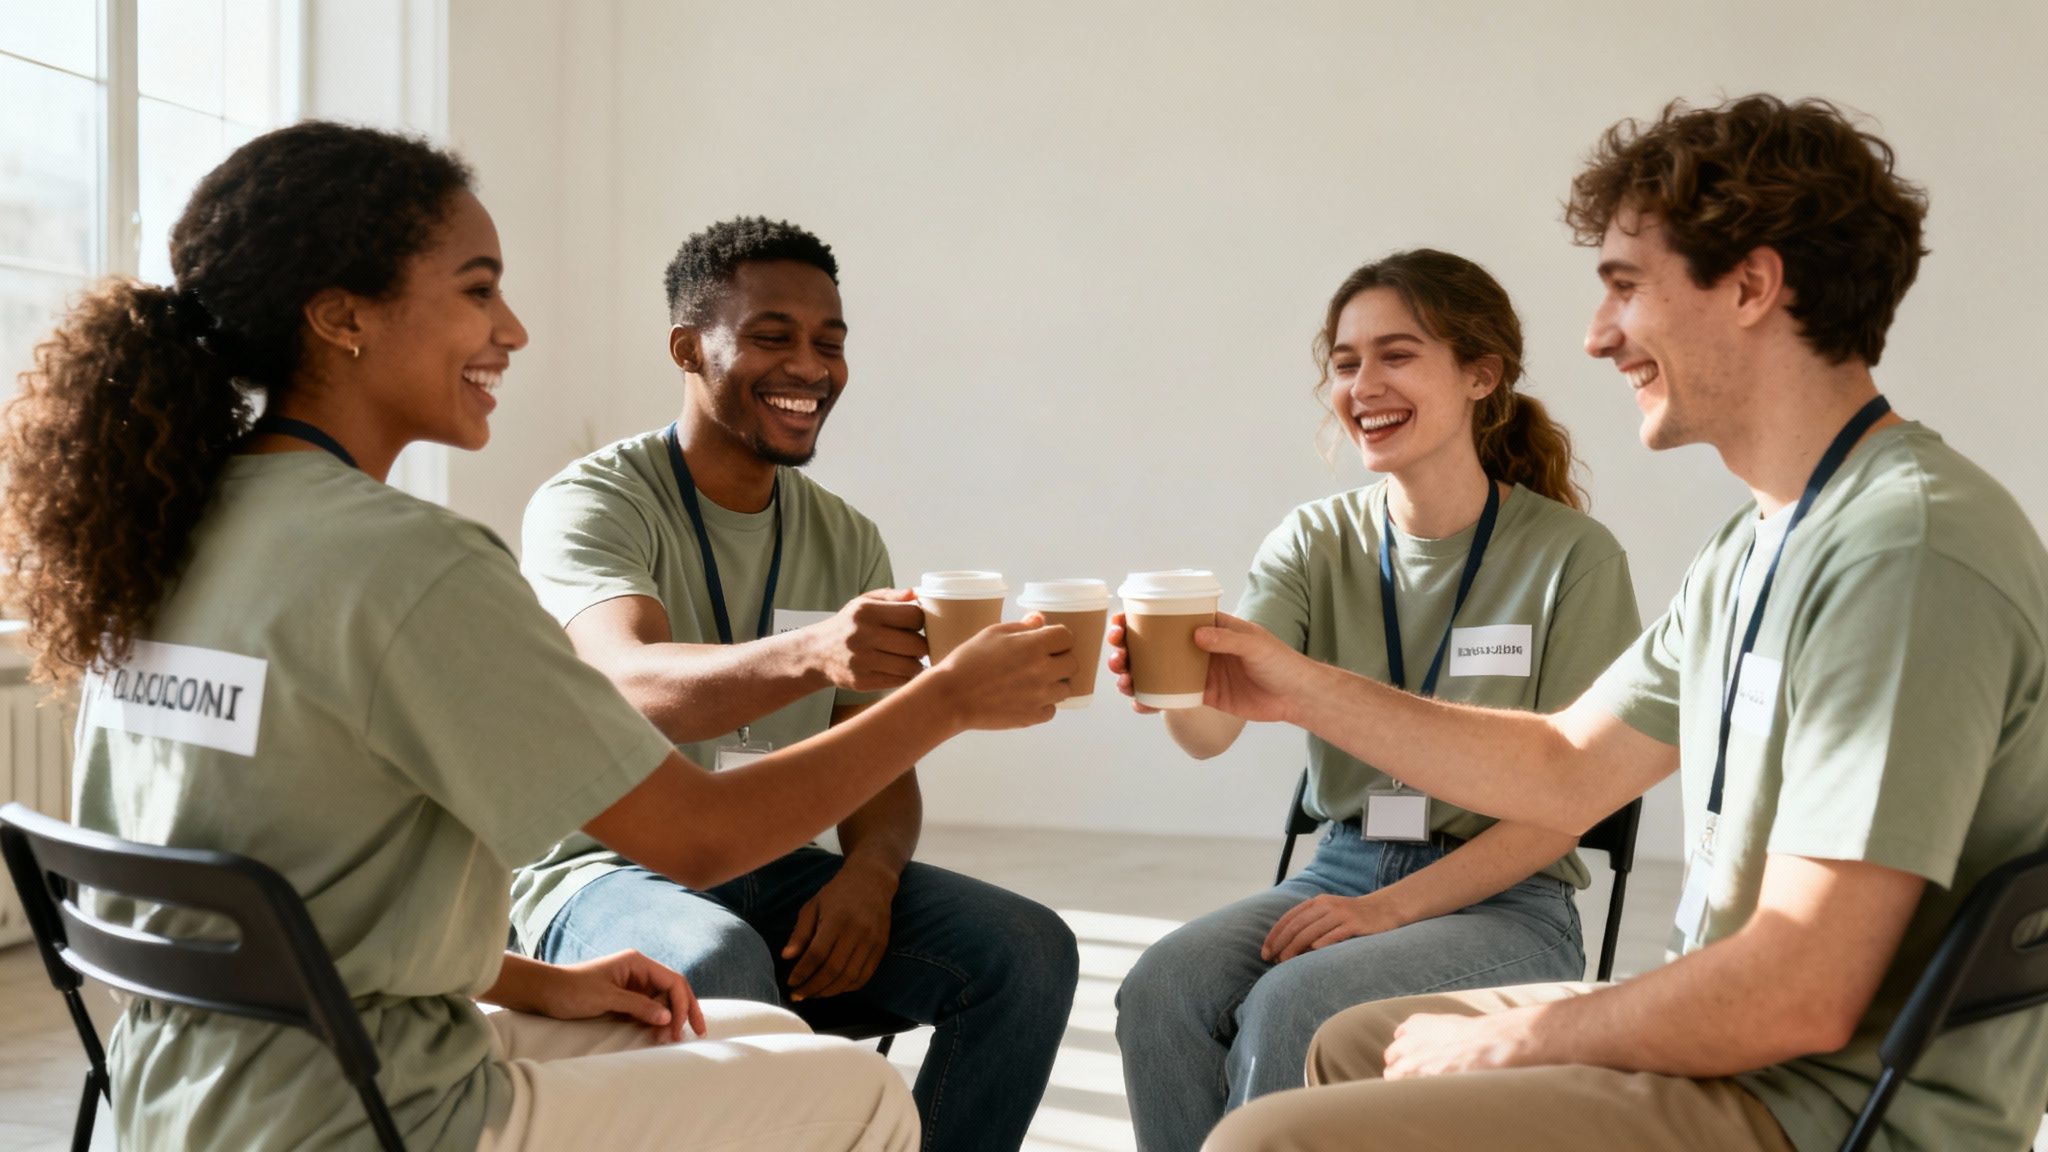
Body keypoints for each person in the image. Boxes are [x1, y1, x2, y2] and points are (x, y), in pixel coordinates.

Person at [0, 121, 1075, 1152]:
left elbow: (284, 893)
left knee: (741, 1031)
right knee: (855, 1094)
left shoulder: (164, 527)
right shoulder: (409, 562)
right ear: (343, 318)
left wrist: (541, 983)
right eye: (478, 291)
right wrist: (948, 699)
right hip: (363, 1109)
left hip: (190, 1093)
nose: (511, 329)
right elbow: (694, 840)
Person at [1198, 96, 2048, 1152]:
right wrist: (1295, 684)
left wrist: (1523, 1039)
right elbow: (1562, 763)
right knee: (1347, 1044)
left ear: (1749, 285)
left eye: (1623, 290)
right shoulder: (1759, 542)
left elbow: (1798, 993)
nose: (1597, 338)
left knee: (1259, 1140)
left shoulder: (1900, 553)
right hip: (1756, 1060)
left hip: (1816, 1106)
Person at [510, 216, 1079, 1152]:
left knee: (1025, 949)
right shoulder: (594, 501)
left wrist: (871, 870)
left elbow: (881, 755)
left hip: (772, 861)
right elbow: (624, 676)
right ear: (689, 349)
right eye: (773, 336)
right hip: (600, 872)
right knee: (720, 959)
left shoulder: (846, 535)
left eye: (831, 342)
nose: (810, 367)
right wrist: (814, 653)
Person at [1110, 248, 1642, 1150]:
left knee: (1296, 1004)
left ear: (1482, 374)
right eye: (1347, 362)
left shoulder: (1572, 558)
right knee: (1161, 986)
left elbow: (1567, 809)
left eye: (1397, 355)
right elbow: (1210, 735)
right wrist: (1166, 681)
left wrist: (1387, 912)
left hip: (1505, 897)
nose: (1363, 384)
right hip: (1342, 869)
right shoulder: (1314, 541)